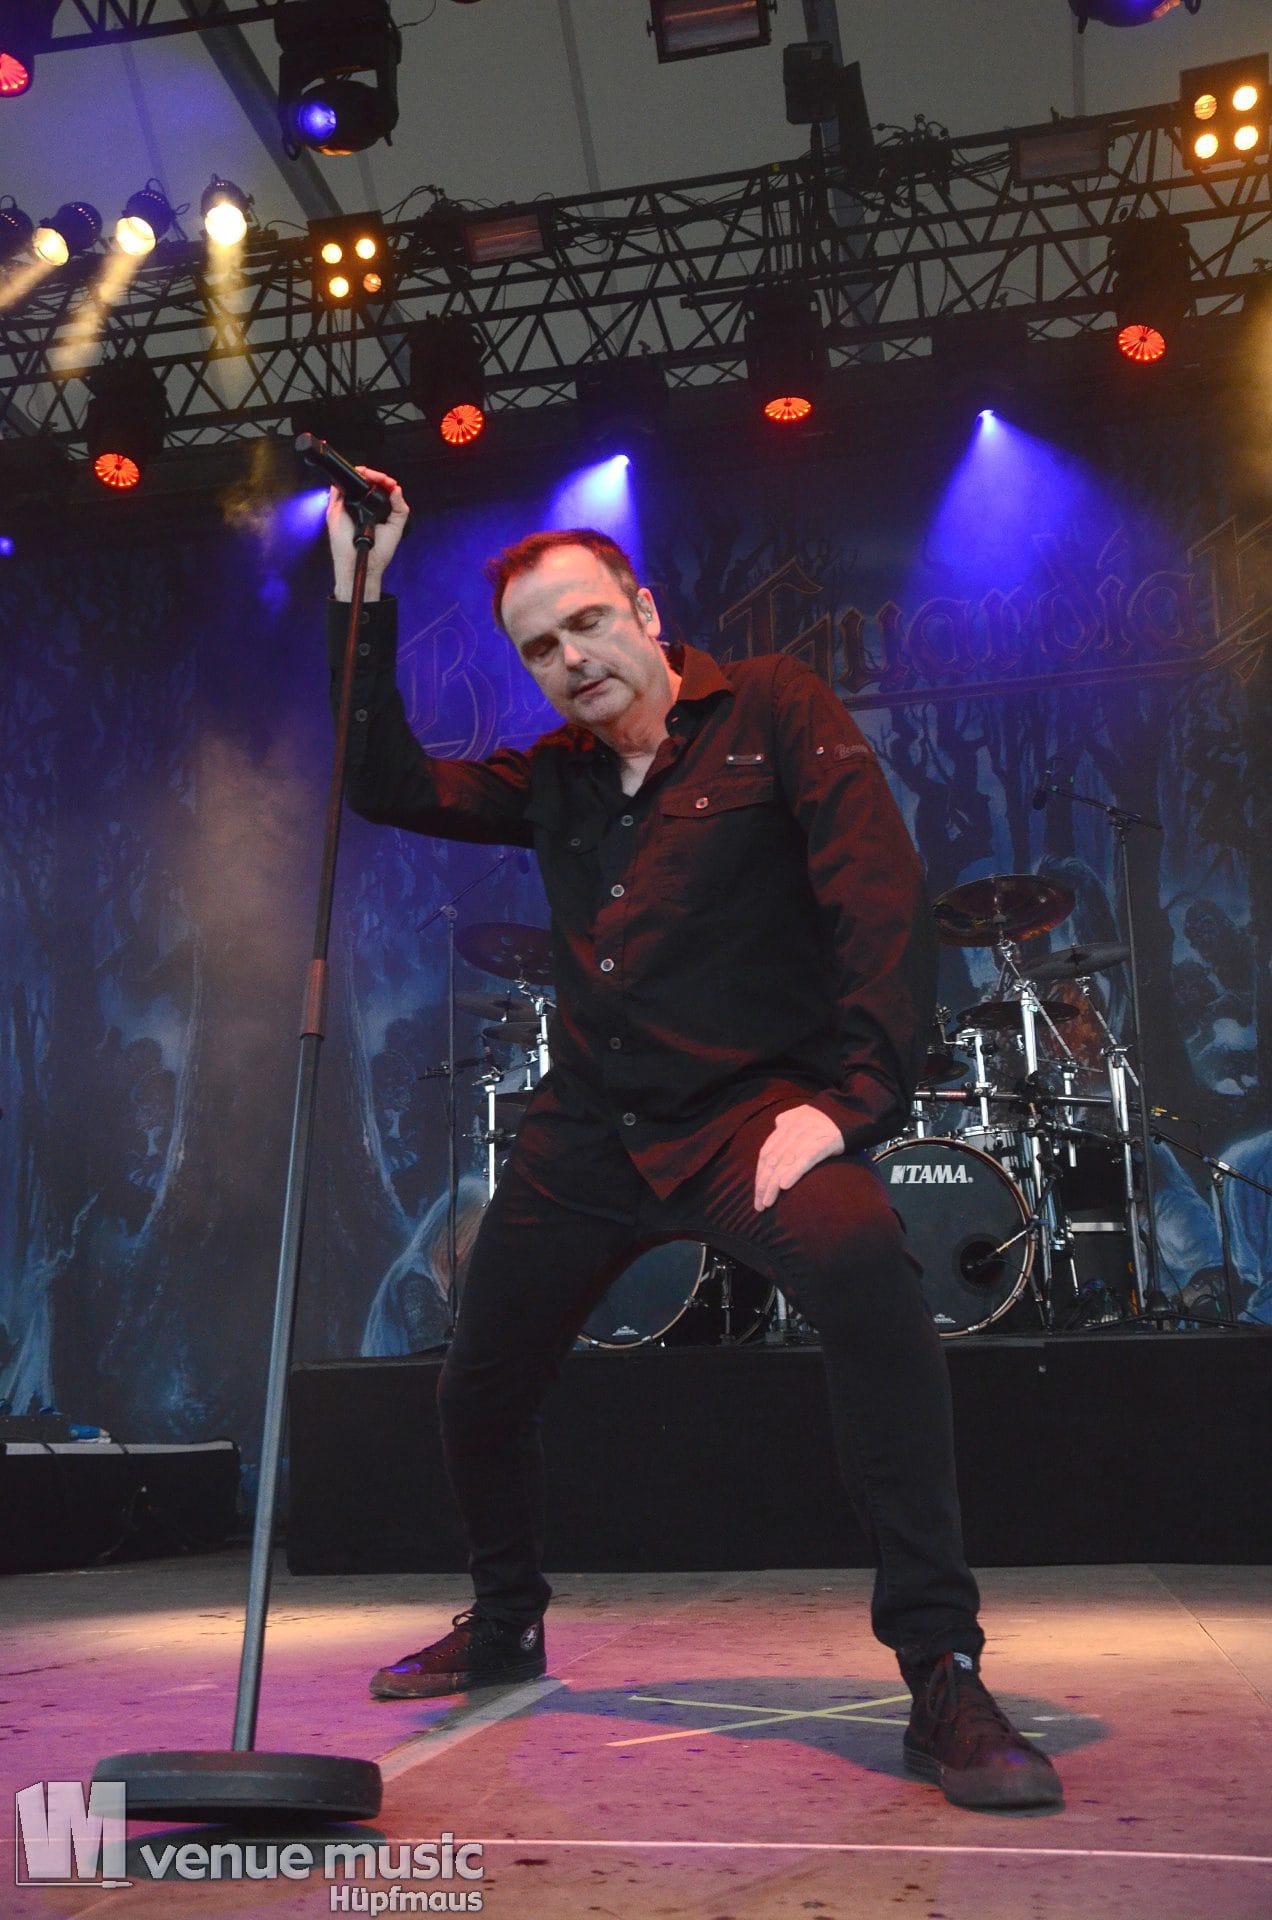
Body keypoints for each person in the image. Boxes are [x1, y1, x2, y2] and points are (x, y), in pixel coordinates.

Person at [325, 474, 1063, 1812]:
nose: (571, 660)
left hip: (748, 1118)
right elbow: (382, 781)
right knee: (476, 1381)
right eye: (539, 649)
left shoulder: (774, 707)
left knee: (863, 1268)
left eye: (588, 624)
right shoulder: (553, 779)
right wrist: (361, 594)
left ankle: (942, 1670)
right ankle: (505, 1622)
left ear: (646, 612)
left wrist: (848, 1102)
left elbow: (880, 898)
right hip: (590, 1130)